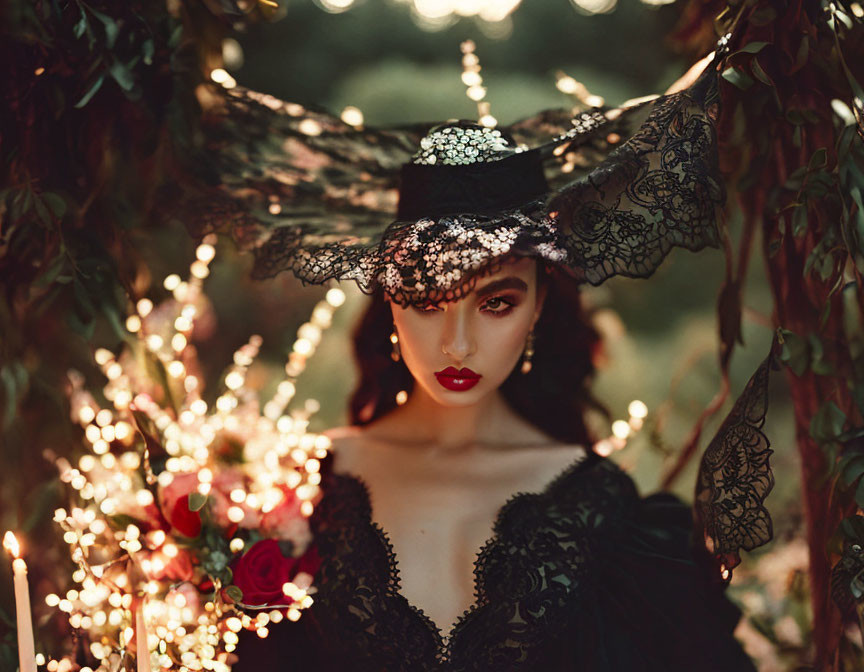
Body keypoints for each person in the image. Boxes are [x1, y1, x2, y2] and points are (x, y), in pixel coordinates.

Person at [217, 43, 759, 670]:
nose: (458, 343)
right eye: (427, 300)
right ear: (390, 303)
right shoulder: (299, 486)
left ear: (537, 310)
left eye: (496, 303)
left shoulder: (608, 513)